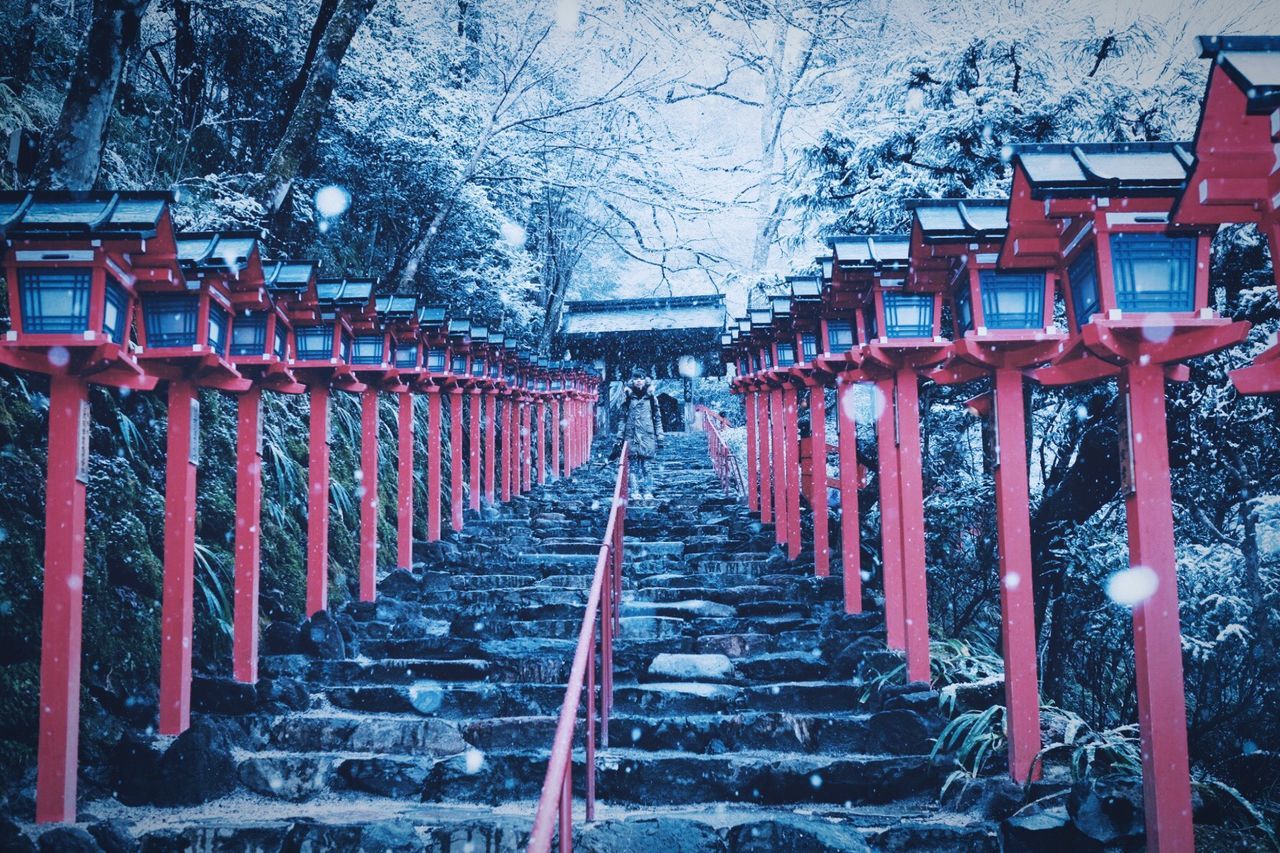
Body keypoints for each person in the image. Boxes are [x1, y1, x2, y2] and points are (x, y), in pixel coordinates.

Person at [617, 368, 663, 499]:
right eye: (636, 378)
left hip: (647, 434)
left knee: (647, 467)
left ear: (645, 380)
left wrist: (660, 435)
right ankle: (635, 491)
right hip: (631, 435)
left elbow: (657, 418)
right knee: (633, 467)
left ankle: (648, 491)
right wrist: (619, 437)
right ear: (632, 380)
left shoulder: (651, 397)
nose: (638, 381)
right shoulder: (627, 397)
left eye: (641, 378)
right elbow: (622, 419)